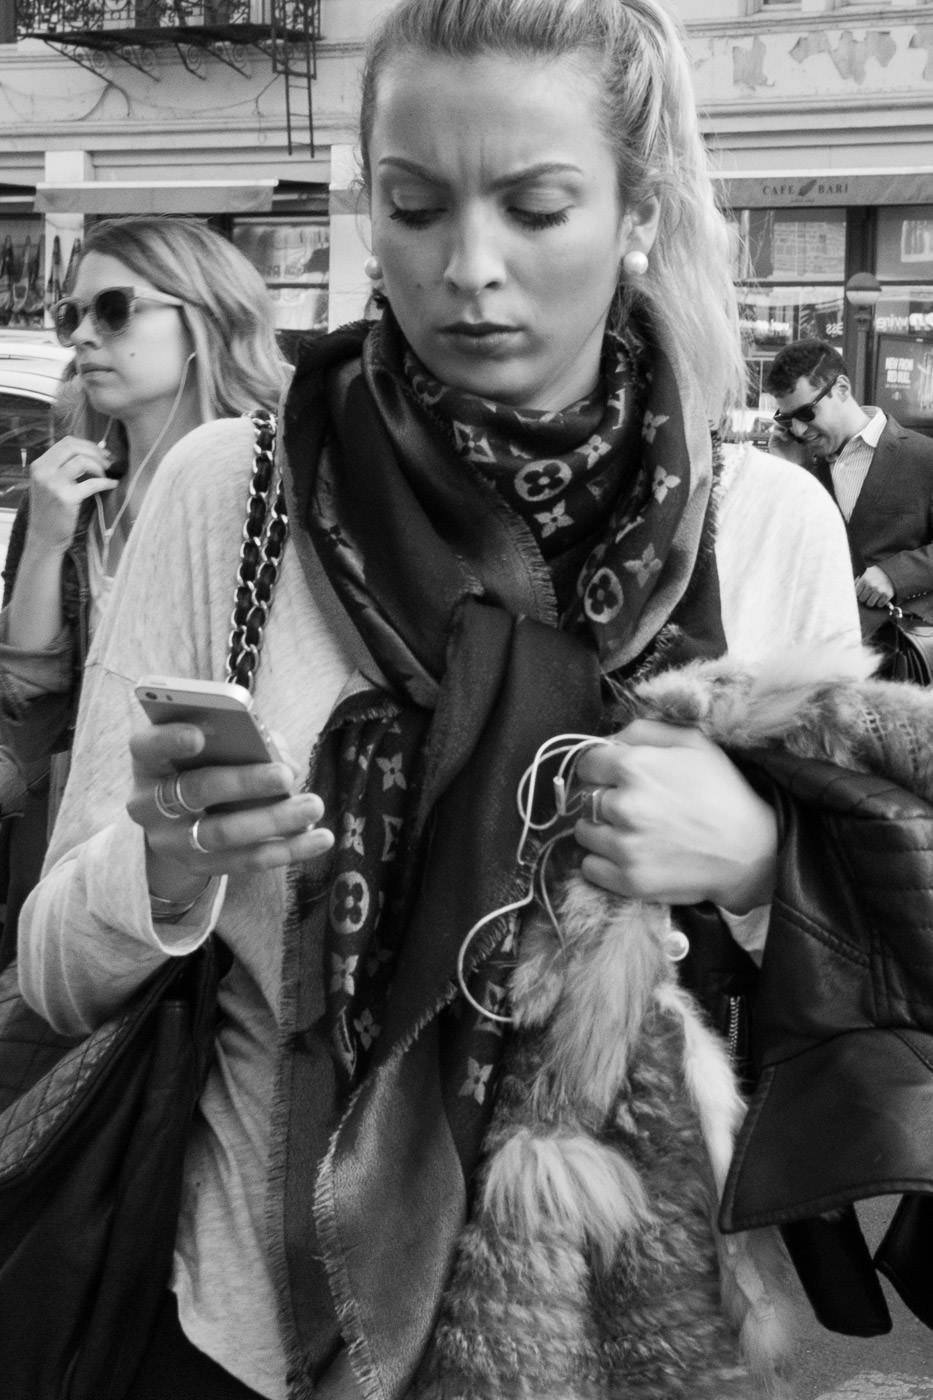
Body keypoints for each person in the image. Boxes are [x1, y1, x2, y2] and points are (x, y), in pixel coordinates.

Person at [17, 1, 870, 1396]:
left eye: (536, 206)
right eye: (414, 208)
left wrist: (760, 861)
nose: (469, 270)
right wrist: (162, 865)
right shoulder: (233, 497)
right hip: (250, 1327)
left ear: (634, 210)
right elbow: (52, 963)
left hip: (634, 1326)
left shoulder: (760, 523)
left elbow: (873, 990)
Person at [0, 215, 289, 962]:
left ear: (202, 314)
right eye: (71, 315)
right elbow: (32, 694)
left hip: (231, 827)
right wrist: (46, 542)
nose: (82, 337)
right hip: (83, 818)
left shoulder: (270, 479)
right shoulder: (71, 485)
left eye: (114, 309)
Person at [766, 337, 933, 641]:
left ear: (842, 389)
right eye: (787, 419)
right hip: (813, 650)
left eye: (806, 413)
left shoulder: (924, 457)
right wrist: (789, 473)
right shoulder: (800, 465)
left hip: (899, 651)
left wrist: (896, 574)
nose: (799, 430)